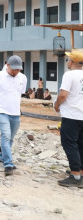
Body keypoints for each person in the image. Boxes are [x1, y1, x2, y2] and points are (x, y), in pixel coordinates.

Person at [0, 55, 26, 176]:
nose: (16, 72)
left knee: (11, 137)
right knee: (6, 135)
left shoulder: (23, 78)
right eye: (14, 69)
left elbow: (20, 93)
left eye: (18, 69)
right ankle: (8, 164)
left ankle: (2, 156)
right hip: (1, 111)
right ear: (7, 65)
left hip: (15, 112)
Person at [53, 49, 83, 187]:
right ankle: (80, 172)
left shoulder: (69, 75)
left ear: (71, 62)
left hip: (71, 116)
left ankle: (75, 176)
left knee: (69, 143)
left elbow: (64, 94)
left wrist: (57, 104)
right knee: (81, 144)